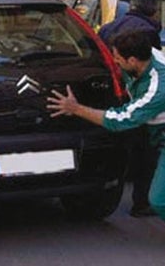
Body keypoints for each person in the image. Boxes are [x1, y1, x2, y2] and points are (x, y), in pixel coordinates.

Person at [47, 30, 165, 221]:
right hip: (153, 130)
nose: (114, 61)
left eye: (117, 58)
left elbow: (120, 120)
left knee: (160, 200)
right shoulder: (142, 55)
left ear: (133, 60)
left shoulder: (159, 86)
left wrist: (75, 108)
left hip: (158, 130)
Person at [98, 0, 161, 217]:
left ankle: (114, 185)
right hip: (139, 99)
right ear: (153, 11)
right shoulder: (149, 33)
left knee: (126, 144)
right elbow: (146, 69)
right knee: (146, 152)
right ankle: (141, 202)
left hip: (113, 92)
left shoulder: (107, 28)